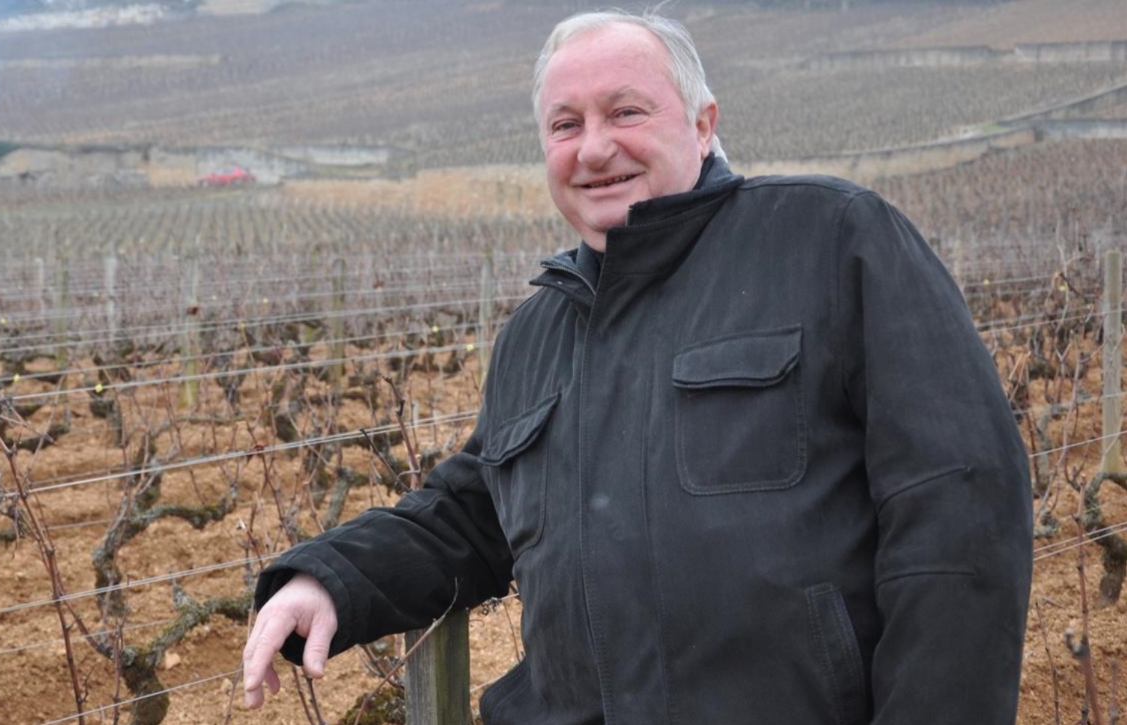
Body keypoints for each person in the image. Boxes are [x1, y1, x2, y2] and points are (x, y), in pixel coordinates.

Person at [242, 10, 1033, 724]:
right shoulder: (536, 330)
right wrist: (328, 577)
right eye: (564, 124)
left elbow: (958, 507)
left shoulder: (831, 241)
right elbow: (474, 512)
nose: (594, 147)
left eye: (625, 111)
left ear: (701, 122)